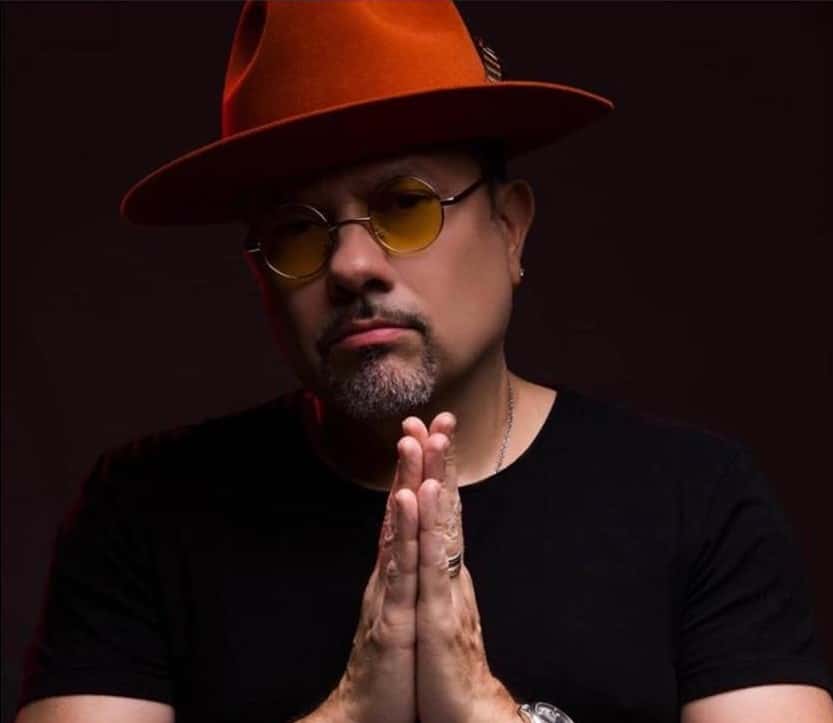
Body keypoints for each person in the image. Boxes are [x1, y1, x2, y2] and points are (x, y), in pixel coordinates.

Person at [15, 2, 833, 722]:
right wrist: (349, 711)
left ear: (510, 228)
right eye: (297, 231)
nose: (350, 266)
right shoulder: (143, 511)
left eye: (404, 206)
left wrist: (481, 708)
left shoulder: (696, 499)